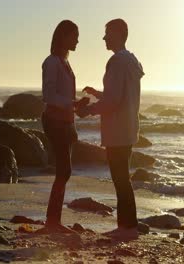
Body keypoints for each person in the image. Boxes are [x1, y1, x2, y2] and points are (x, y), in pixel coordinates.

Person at [77, 18, 144, 240]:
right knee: (123, 178)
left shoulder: (116, 61)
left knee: (120, 178)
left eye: (107, 33)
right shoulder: (132, 61)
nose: (104, 37)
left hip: (117, 130)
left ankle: (126, 228)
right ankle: (128, 225)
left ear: (117, 34)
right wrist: (98, 94)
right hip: (129, 128)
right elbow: (119, 97)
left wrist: (89, 110)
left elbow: (114, 101)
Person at [40, 20, 89, 233]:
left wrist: (77, 105)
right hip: (54, 121)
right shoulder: (51, 62)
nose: (78, 40)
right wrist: (72, 103)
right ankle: (52, 222)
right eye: (74, 35)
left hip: (66, 121)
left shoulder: (64, 62)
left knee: (64, 171)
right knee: (64, 171)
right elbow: (49, 96)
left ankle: (53, 221)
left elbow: (63, 95)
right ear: (64, 36)